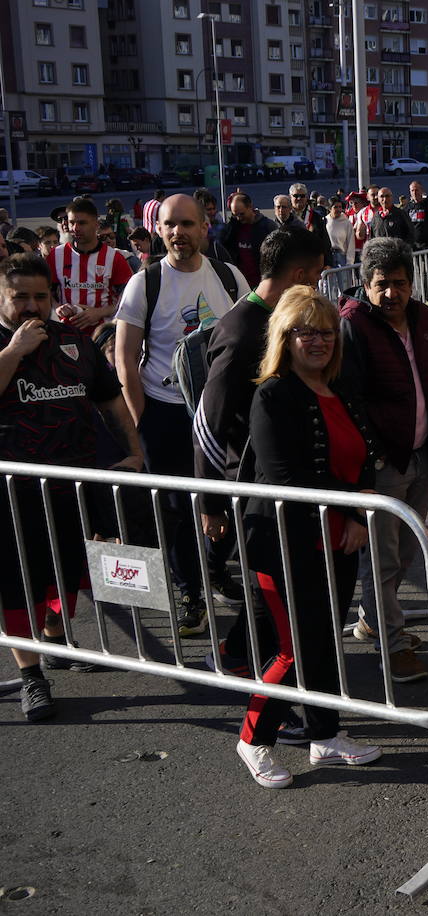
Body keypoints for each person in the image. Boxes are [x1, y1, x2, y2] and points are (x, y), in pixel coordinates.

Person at [235, 285, 383, 788]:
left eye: (325, 332)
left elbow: (368, 459)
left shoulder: (341, 388)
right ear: (284, 337)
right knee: (294, 647)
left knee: (323, 644)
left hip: (338, 538)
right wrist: (356, 504)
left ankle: (325, 733)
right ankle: (253, 740)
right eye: (305, 332)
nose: (318, 341)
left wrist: (360, 510)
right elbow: (284, 477)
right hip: (283, 541)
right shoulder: (272, 394)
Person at [0, 253, 143, 722]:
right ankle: (32, 677)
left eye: (40, 296)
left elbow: (111, 402)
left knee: (70, 571)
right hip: (15, 495)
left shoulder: (72, 342)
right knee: (19, 586)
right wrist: (14, 352)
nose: (31, 306)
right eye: (19, 296)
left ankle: (57, 635)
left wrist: (135, 450)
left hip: (76, 484)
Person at [194, 226, 328, 676]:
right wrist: (211, 502)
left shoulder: (277, 319)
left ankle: (237, 655)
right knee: (268, 584)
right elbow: (209, 423)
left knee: (269, 588)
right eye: (317, 276)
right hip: (244, 483)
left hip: (273, 476)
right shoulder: (241, 328)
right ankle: (249, 666)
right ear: (300, 273)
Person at [113, 194, 249, 635]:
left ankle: (213, 569)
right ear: (159, 229)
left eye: (187, 224)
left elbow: (253, 338)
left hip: (219, 416)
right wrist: (143, 420)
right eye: (170, 224)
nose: (179, 233)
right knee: (176, 509)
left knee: (229, 501)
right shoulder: (145, 283)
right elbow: (125, 355)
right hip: (165, 414)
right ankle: (190, 589)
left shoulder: (229, 278)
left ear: (205, 227)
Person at [337, 238, 428, 684]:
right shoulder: (353, 326)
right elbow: (350, 402)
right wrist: (370, 462)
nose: (391, 294)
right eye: (381, 285)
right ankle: (392, 646)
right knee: (380, 562)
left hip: (421, 454)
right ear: (365, 284)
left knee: (402, 556)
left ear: (412, 283)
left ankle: (372, 622)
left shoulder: (424, 317)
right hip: (383, 464)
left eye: (399, 284)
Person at [47, 198, 134, 334]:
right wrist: (57, 307)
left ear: (96, 224)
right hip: (68, 333)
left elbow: (128, 299)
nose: (75, 228)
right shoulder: (56, 255)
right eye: (71, 223)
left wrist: (99, 312)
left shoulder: (114, 257)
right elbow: (46, 292)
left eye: (82, 223)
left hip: (102, 334)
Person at [222, 192, 278, 287]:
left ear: (250, 207)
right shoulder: (233, 228)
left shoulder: (267, 226)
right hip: (241, 284)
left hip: (263, 283)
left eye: (242, 214)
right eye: (235, 215)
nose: (239, 218)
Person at [405, 180, 428, 249]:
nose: (415, 193)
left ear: (422, 190)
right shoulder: (407, 208)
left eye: (417, 190)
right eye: (412, 191)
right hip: (413, 246)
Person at [325, 198, 355, 266]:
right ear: (330, 208)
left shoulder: (347, 223)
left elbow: (351, 243)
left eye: (340, 207)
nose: (338, 209)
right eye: (335, 207)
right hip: (328, 258)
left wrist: (350, 262)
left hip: (342, 258)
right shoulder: (324, 221)